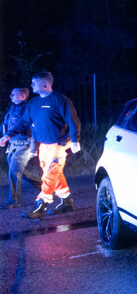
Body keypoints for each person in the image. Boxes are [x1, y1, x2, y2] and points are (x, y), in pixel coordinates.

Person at [0, 71, 81, 219]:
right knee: (53, 174)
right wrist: (8, 134)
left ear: (45, 84)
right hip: (43, 145)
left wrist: (75, 140)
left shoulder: (60, 100)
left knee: (50, 175)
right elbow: (24, 122)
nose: (31, 85)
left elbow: (73, 120)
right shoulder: (33, 103)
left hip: (59, 144)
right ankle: (66, 202)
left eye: (34, 82)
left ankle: (40, 207)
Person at [2, 87, 33, 208]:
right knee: (21, 172)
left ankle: (13, 200)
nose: (11, 96)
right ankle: (45, 186)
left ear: (23, 96)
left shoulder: (26, 109)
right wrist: (4, 137)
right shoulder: (13, 108)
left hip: (23, 145)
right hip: (12, 145)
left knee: (14, 171)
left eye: (13, 94)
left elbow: (26, 126)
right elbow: (6, 124)